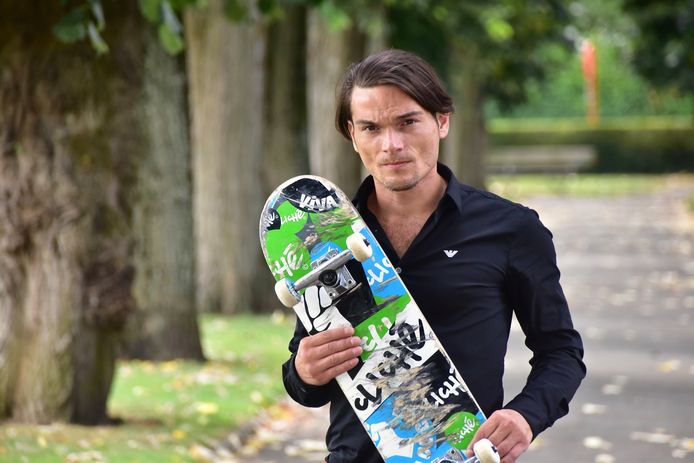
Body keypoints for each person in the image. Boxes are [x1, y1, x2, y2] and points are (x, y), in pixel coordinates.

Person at [282, 48, 586, 463]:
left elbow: (561, 351)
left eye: (407, 122)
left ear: (442, 121)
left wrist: (525, 415)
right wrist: (304, 371)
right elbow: (304, 380)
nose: (392, 144)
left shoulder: (510, 229)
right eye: (371, 128)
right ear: (353, 135)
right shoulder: (326, 240)